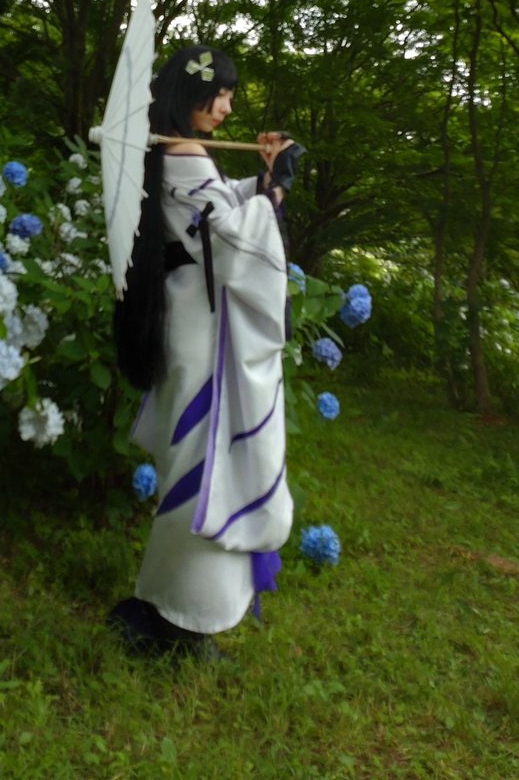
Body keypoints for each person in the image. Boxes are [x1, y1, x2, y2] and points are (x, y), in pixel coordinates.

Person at [108, 44, 304, 658]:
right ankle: (182, 616)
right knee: (208, 467)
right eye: (219, 95)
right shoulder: (184, 154)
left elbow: (216, 206)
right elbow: (229, 238)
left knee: (199, 462)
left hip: (191, 321)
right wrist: (274, 192)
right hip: (203, 329)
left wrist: (265, 184)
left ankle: (171, 603)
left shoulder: (170, 152)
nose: (226, 108)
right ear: (189, 93)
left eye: (229, 96)